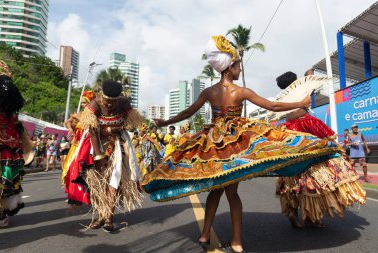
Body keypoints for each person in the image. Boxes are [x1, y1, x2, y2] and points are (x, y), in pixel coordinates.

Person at [142, 35, 342, 253]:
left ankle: (204, 234)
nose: (240, 70)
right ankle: (236, 242)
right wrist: (301, 103)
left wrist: (166, 121)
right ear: (230, 67)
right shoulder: (241, 92)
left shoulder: (209, 92)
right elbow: (273, 106)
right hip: (236, 143)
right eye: (238, 66)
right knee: (232, 194)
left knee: (216, 191)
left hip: (213, 144)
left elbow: (188, 112)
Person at [274, 71, 366, 228]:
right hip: (305, 125)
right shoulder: (300, 91)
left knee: (291, 177)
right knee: (313, 175)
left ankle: (293, 212)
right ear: (296, 81)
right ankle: (312, 217)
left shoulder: (283, 98)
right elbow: (326, 136)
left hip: (288, 131)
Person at [79, 80, 142, 232]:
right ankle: (100, 215)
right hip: (97, 146)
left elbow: (132, 124)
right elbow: (93, 131)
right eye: (107, 101)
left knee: (114, 179)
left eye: (113, 102)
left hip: (118, 146)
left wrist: (116, 128)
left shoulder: (124, 103)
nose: (109, 105)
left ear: (119, 97)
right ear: (102, 96)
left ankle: (108, 217)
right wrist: (99, 156)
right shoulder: (95, 104)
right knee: (98, 182)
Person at [0, 61, 31, 228]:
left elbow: (20, 136)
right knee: (5, 181)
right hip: (8, 152)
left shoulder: (12, 118)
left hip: (6, 153)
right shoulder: (13, 117)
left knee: (4, 181)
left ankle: (1, 213)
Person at [62, 90, 95, 208]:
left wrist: (79, 118)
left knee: (80, 170)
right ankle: (74, 196)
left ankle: (86, 195)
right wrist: (71, 129)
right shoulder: (79, 113)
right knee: (70, 170)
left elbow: (90, 127)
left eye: (85, 102)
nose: (82, 104)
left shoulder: (93, 115)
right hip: (75, 147)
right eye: (81, 102)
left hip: (87, 147)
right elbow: (67, 122)